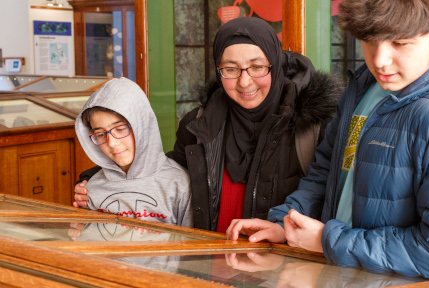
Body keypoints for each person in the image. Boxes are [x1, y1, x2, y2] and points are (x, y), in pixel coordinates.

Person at [226, 0, 429, 285]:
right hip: (358, 275)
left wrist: (326, 240)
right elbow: (327, 173)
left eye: (400, 43)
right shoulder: (366, 88)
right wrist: (286, 224)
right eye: (369, 41)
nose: (380, 60)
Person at [73, 17, 341, 233]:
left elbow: (326, 192)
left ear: (275, 64)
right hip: (212, 265)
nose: (244, 82)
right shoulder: (198, 124)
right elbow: (162, 166)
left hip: (284, 266)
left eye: (257, 67)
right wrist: (99, 175)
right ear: (218, 70)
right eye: (231, 69)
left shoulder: (314, 125)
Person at [75, 77, 193, 227]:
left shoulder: (180, 185)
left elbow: (193, 245)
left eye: (120, 129)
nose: (112, 143)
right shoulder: (89, 189)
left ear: (142, 125)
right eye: (100, 134)